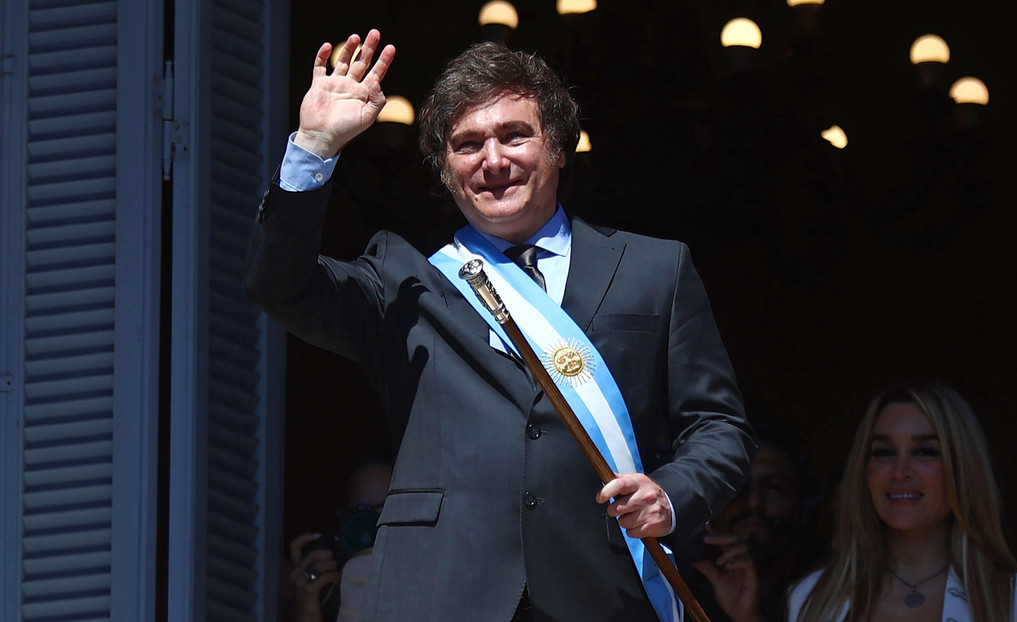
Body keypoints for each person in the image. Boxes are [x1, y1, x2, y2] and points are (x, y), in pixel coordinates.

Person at [245, 30, 754, 621]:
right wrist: (313, 147)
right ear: (444, 170)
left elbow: (719, 426)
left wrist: (671, 495)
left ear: (560, 148)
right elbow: (279, 286)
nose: (493, 161)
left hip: (598, 592)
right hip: (439, 594)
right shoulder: (402, 279)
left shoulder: (653, 269)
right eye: (467, 145)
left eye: (515, 135)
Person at [786, 380, 1017, 622]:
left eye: (925, 451)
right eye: (884, 452)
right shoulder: (809, 598)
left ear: (962, 468)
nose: (900, 470)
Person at [686, 418, 826, 622]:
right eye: (738, 488)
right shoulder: (678, 589)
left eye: (773, 487)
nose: (753, 502)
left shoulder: (827, 590)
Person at [285, 460, 394, 622]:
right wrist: (307, 615)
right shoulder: (342, 595)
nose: (372, 529)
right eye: (361, 515)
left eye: (387, 510)